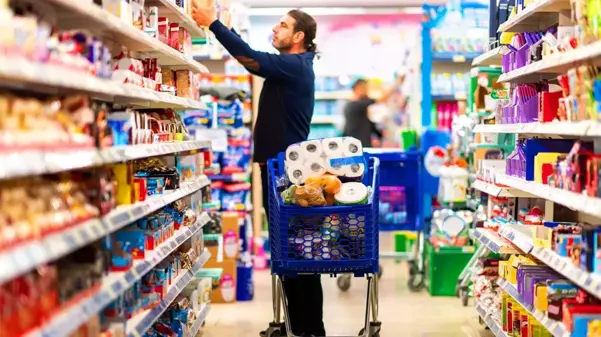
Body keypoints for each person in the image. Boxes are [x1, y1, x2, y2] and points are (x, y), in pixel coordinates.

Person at [191, 2, 325, 337]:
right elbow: (254, 57)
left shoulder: (295, 65)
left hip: (286, 176)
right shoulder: (292, 65)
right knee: (290, 255)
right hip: (279, 171)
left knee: (298, 255)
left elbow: (251, 61)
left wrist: (215, 25)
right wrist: (225, 29)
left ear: (299, 36)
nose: (274, 30)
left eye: (282, 25)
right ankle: (302, 328)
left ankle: (310, 329)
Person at [342, 76, 405, 148]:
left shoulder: (357, 106)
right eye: (364, 88)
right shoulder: (355, 105)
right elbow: (381, 99)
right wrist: (397, 83)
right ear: (357, 88)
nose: (366, 90)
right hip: (356, 146)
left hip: (357, 145)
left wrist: (378, 134)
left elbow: (368, 123)